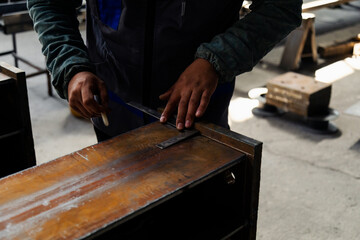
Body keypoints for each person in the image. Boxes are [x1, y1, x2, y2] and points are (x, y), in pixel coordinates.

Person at [28, 0, 302, 142]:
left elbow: (281, 7)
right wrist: (71, 65)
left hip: (197, 118)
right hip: (113, 111)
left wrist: (217, 59)